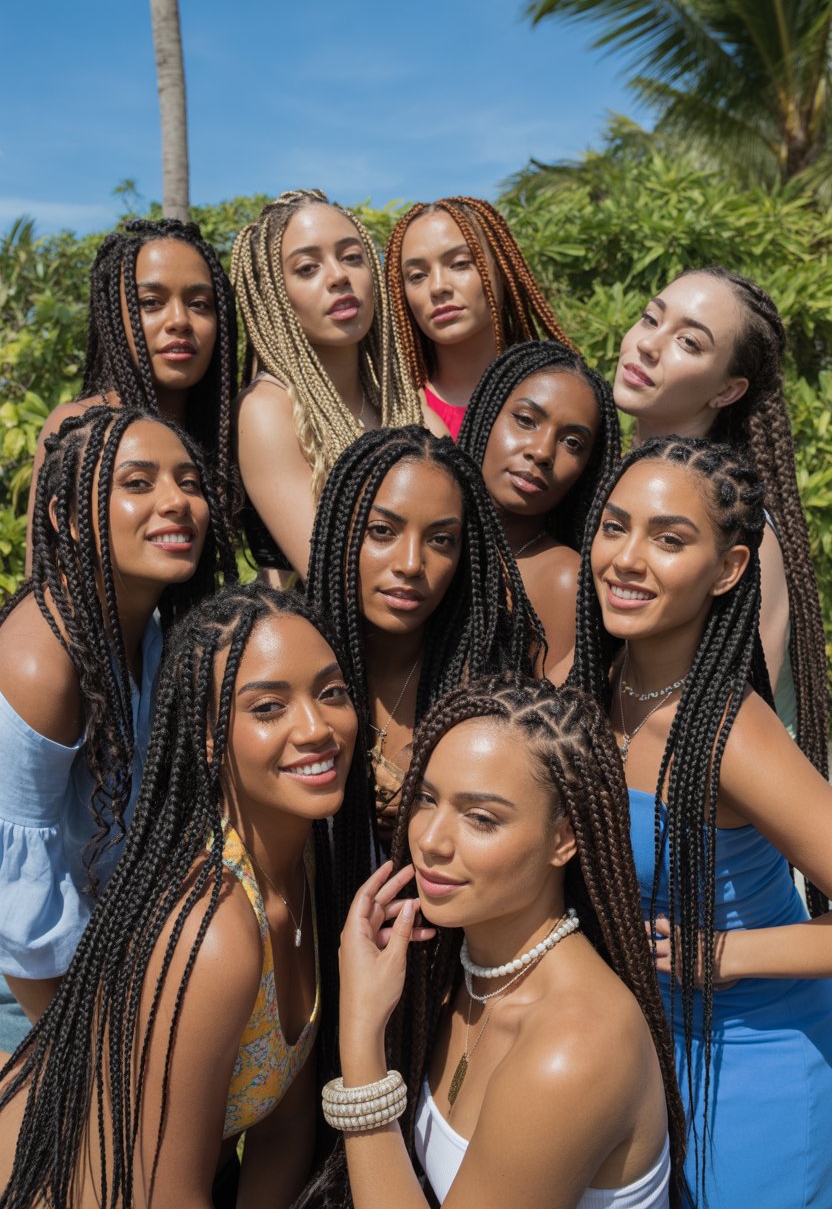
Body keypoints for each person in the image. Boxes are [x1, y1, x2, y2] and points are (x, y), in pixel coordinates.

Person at [0, 582, 373, 1207]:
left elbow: (284, 1129)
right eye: (267, 708)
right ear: (205, 735)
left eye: (330, 692)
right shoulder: (212, 930)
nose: (316, 727)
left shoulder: (304, 861)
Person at [571, 436, 832, 1207]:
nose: (627, 557)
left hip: (753, 1070)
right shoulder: (594, 683)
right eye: (614, 527)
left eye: (669, 538)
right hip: (639, 1056)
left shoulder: (730, 735)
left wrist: (731, 952)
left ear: (729, 570)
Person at [312, 676, 685, 1209]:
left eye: (481, 818)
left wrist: (360, 1034)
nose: (431, 840)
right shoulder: (463, 973)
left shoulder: (573, 1048)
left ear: (564, 839)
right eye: (426, 798)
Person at [0, 406, 235, 1052]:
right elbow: (18, 914)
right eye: (137, 483)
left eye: (189, 482)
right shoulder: (39, 661)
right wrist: (91, 1062)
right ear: (67, 516)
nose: (176, 501)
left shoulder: (152, 633)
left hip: (109, 969)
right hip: (29, 1001)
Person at [612, 267, 828, 808]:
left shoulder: (745, 536)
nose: (649, 345)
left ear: (728, 390)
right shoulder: (604, 487)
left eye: (688, 341)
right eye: (650, 318)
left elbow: (735, 730)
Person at [306, 425, 543, 838]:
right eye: (382, 531)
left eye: (441, 540)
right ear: (340, 532)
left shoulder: (491, 686)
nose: (412, 563)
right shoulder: (291, 659)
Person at [230, 190, 424, 585]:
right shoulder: (265, 408)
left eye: (352, 257)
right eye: (307, 268)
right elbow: (333, 578)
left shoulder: (404, 403)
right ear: (273, 295)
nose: (338, 277)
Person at [26, 218, 239, 564]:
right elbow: (44, 586)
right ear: (113, 315)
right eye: (151, 302)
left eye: (200, 303)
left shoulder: (230, 429)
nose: (179, 320)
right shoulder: (81, 427)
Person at [458, 340, 620, 683]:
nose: (543, 452)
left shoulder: (564, 578)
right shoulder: (429, 540)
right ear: (487, 413)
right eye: (526, 420)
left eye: (572, 442)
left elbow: (552, 731)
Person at [385, 196, 573, 438]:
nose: (438, 287)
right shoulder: (394, 413)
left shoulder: (557, 391)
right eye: (417, 275)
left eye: (460, 264)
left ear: (500, 269)